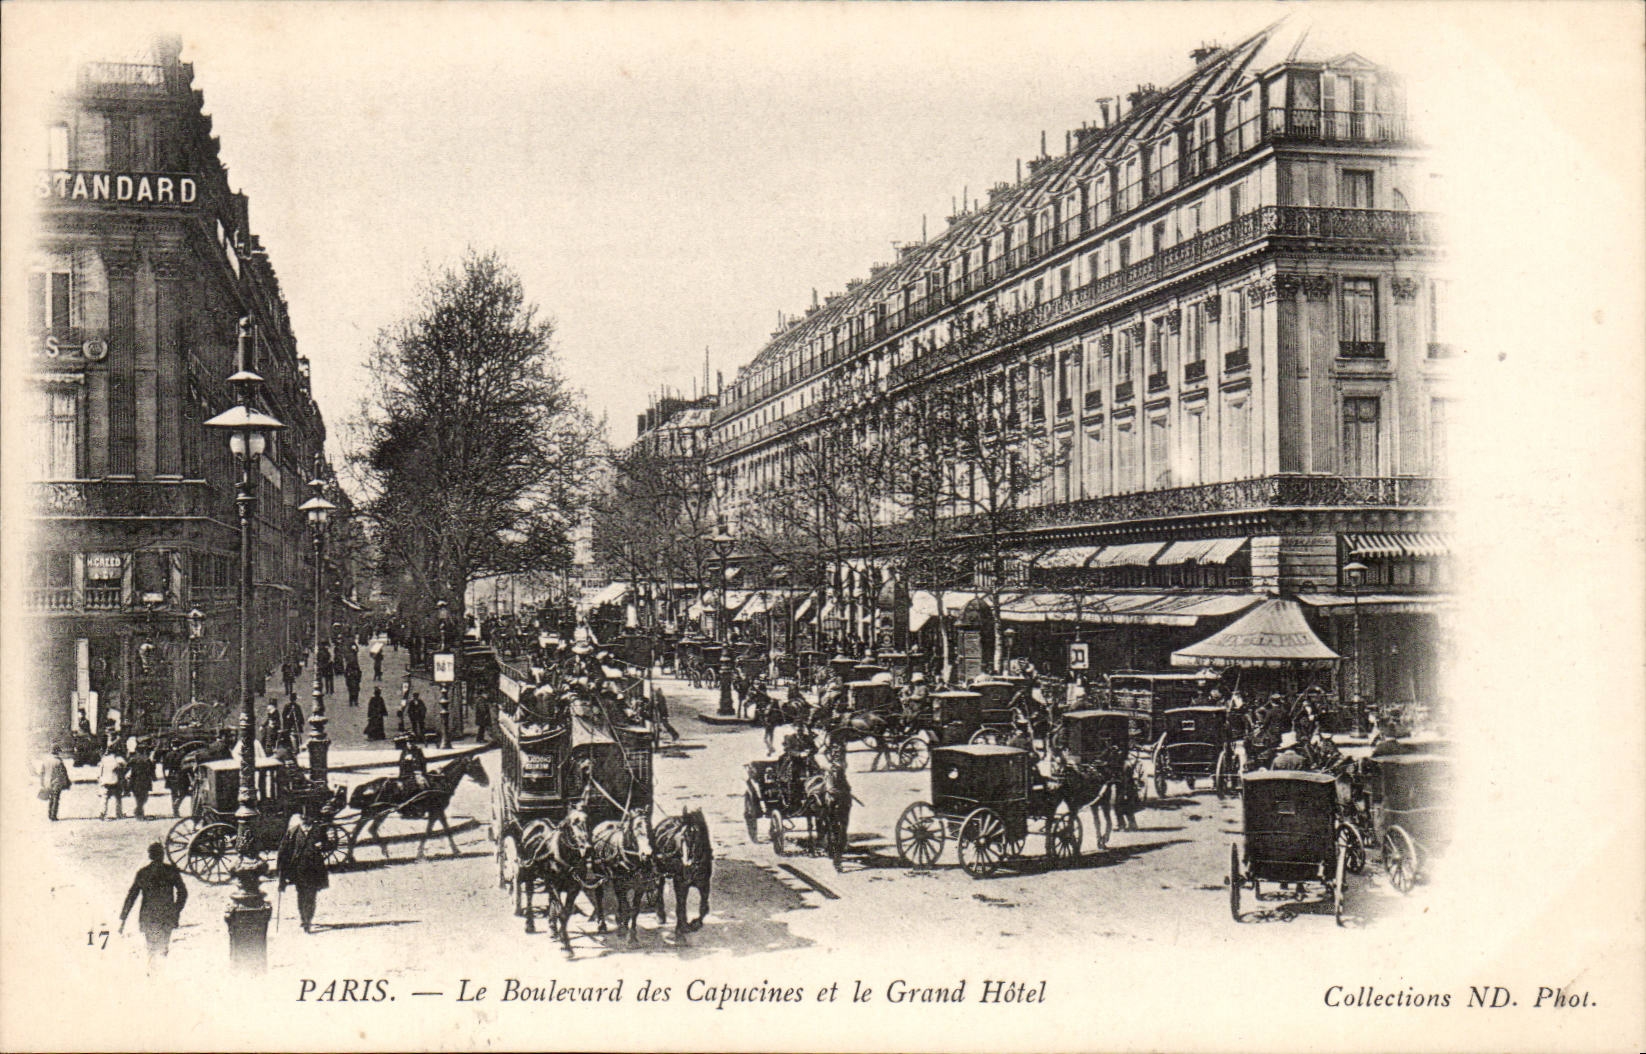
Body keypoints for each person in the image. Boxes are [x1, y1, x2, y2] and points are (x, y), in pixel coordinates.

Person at [120, 842, 188, 962]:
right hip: (166, 916)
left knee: (151, 949)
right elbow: (183, 893)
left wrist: (123, 917)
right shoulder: (171, 871)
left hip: (149, 916)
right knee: (163, 948)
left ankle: (153, 974)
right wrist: (176, 909)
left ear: (150, 856)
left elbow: (132, 896)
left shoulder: (143, 873)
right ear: (162, 855)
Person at [277, 813, 329, 933]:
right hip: (298, 869)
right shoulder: (293, 832)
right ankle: (303, 918)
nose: (305, 822)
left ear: (312, 819)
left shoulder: (318, 830)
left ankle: (308, 921)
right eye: (303, 819)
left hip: (314, 869)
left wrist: (323, 845)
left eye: (308, 819)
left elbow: (329, 845)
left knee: (311, 896)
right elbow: (284, 851)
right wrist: (282, 871)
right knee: (301, 895)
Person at [126, 744, 156, 820]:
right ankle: (139, 813)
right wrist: (154, 777)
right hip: (145, 781)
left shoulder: (133, 759)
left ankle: (138, 812)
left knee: (138, 798)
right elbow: (152, 770)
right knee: (144, 798)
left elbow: (126, 768)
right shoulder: (147, 759)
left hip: (135, 781)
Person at [97, 745, 127, 820]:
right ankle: (119, 814)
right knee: (118, 798)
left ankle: (102, 813)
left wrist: (100, 780)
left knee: (104, 798)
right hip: (115, 781)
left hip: (105, 781)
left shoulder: (103, 759)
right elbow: (125, 767)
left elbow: (99, 772)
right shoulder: (119, 759)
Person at [41, 748, 71, 821]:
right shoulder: (59, 761)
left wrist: (42, 782)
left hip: (47, 782)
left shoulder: (46, 761)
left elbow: (42, 772)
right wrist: (67, 782)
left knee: (51, 798)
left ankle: (49, 814)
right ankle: (53, 815)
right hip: (56, 783)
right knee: (55, 799)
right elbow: (63, 773)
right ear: (57, 753)